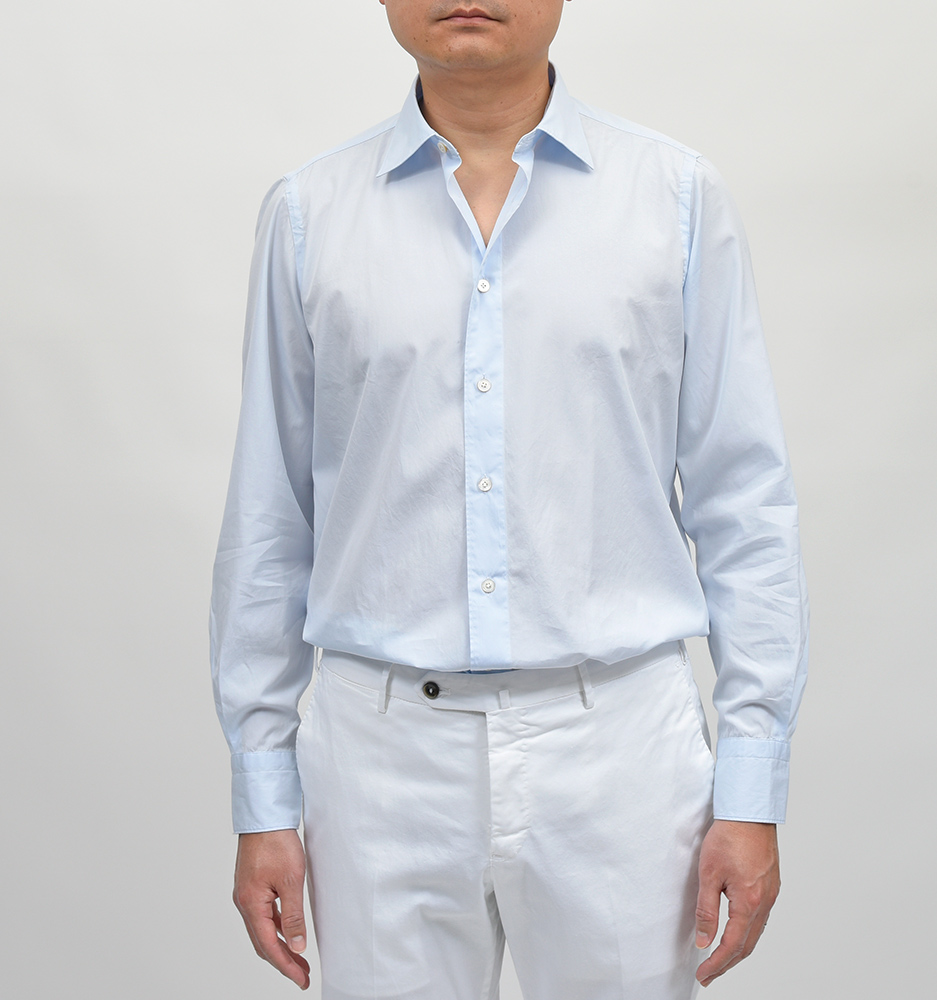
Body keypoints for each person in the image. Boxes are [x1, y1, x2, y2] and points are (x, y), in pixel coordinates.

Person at [209, 2, 809, 997]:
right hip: (378, 754)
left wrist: (752, 781)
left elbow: (743, 503)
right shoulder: (310, 211)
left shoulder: (675, 198)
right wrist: (263, 792)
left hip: (618, 745)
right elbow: (270, 520)